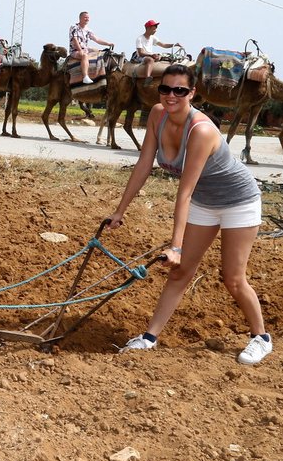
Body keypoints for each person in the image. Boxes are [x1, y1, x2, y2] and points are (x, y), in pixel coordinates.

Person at [105, 64, 271, 365]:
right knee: (180, 272)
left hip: (238, 201)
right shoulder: (157, 115)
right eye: (166, 89)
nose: (171, 96)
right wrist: (119, 211)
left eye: (180, 90)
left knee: (232, 278)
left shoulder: (202, 130)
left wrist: (176, 246)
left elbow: (185, 191)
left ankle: (261, 338)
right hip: (205, 202)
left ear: (192, 93)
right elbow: (144, 164)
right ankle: (150, 337)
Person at [69, 11, 114, 85]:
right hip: (75, 50)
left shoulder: (88, 30)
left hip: (85, 48)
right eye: (85, 17)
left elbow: (97, 39)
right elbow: (75, 40)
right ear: (80, 18)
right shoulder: (74, 27)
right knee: (84, 56)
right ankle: (85, 77)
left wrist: (108, 43)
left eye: (88, 18)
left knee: (98, 51)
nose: (87, 19)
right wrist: (80, 50)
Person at [132, 19, 179, 86]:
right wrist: (151, 55)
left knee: (162, 57)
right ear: (148, 28)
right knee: (150, 60)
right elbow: (140, 53)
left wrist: (174, 45)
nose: (155, 31)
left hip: (149, 55)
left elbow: (163, 45)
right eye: (154, 29)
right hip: (141, 57)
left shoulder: (153, 38)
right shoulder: (140, 39)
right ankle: (147, 78)